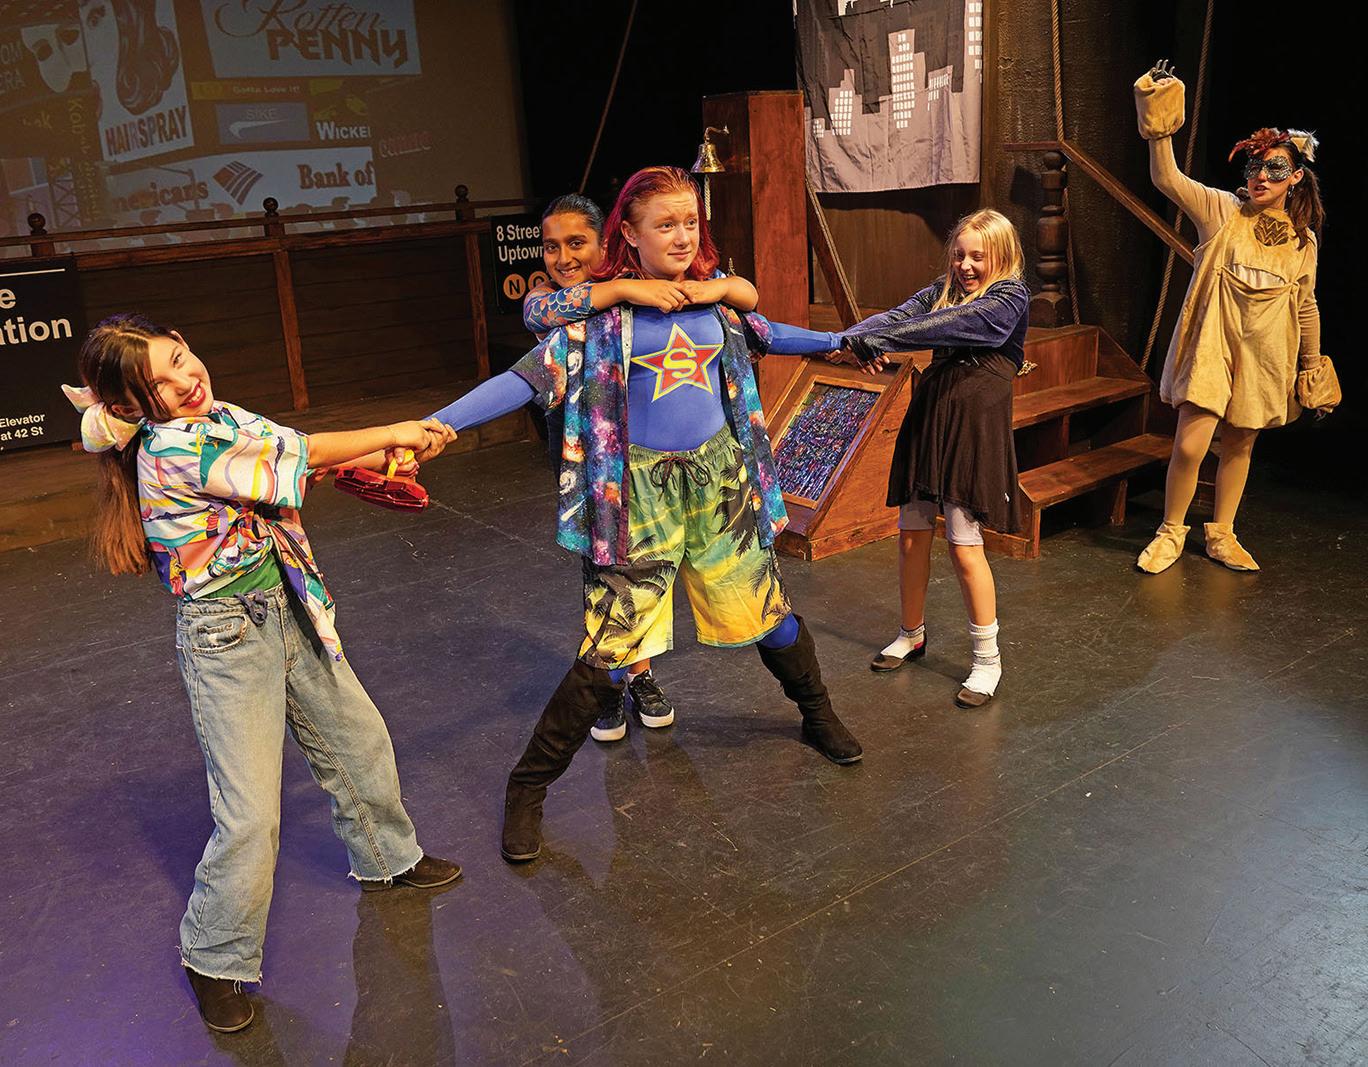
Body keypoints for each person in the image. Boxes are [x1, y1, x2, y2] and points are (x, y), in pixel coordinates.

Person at [429, 166, 859, 864]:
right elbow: (523, 377)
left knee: (769, 615)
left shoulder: (714, 302)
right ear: (628, 233)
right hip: (637, 498)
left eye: (690, 222)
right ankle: (528, 786)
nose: (683, 236)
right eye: (665, 224)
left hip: (721, 487)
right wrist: (439, 424)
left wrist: (841, 341)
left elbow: (769, 331)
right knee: (610, 651)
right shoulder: (599, 321)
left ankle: (818, 714)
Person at [64, 314, 462, 1034]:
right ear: (130, 406)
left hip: (286, 601)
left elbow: (290, 458)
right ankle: (213, 957)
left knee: (358, 741)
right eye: (161, 380)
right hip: (226, 634)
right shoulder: (175, 445)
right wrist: (396, 429)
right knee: (249, 816)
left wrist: (385, 457)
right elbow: (302, 450)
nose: (187, 377)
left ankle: (387, 857)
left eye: (182, 356)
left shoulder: (221, 415)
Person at [521, 193, 761, 744]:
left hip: (651, 455)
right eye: (552, 247)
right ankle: (611, 678)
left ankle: (639, 675)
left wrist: (714, 288)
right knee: (605, 565)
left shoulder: (649, 292)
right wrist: (626, 289)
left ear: (608, 242)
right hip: (586, 449)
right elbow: (536, 311)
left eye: (577, 243)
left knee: (647, 563)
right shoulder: (566, 300)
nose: (563, 258)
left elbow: (748, 299)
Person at [1132, 62, 1327, 573]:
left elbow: (1306, 304)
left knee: (1240, 446)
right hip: (1213, 345)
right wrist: (1159, 119)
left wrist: (1312, 365)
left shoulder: (1303, 240)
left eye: (1275, 169)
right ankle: (1171, 531)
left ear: (1296, 177)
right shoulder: (1222, 211)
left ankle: (1222, 533)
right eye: (1254, 168)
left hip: (1266, 354)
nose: (1261, 176)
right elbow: (1166, 178)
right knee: (1191, 444)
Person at [837, 209, 1030, 709]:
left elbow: (949, 325)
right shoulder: (942, 289)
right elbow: (898, 316)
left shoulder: (1009, 298)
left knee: (964, 546)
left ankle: (987, 660)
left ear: (1001, 256)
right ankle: (911, 633)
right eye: (959, 255)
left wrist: (877, 340)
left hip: (971, 429)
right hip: (931, 417)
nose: (965, 265)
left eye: (977, 257)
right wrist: (851, 338)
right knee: (910, 536)